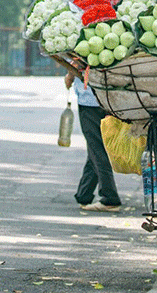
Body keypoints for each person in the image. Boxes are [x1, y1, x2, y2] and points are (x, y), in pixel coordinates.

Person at [66, 72, 121, 212]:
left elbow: (77, 60)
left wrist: (70, 76)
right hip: (111, 98)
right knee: (95, 147)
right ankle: (84, 194)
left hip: (90, 100)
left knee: (97, 148)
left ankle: (110, 198)